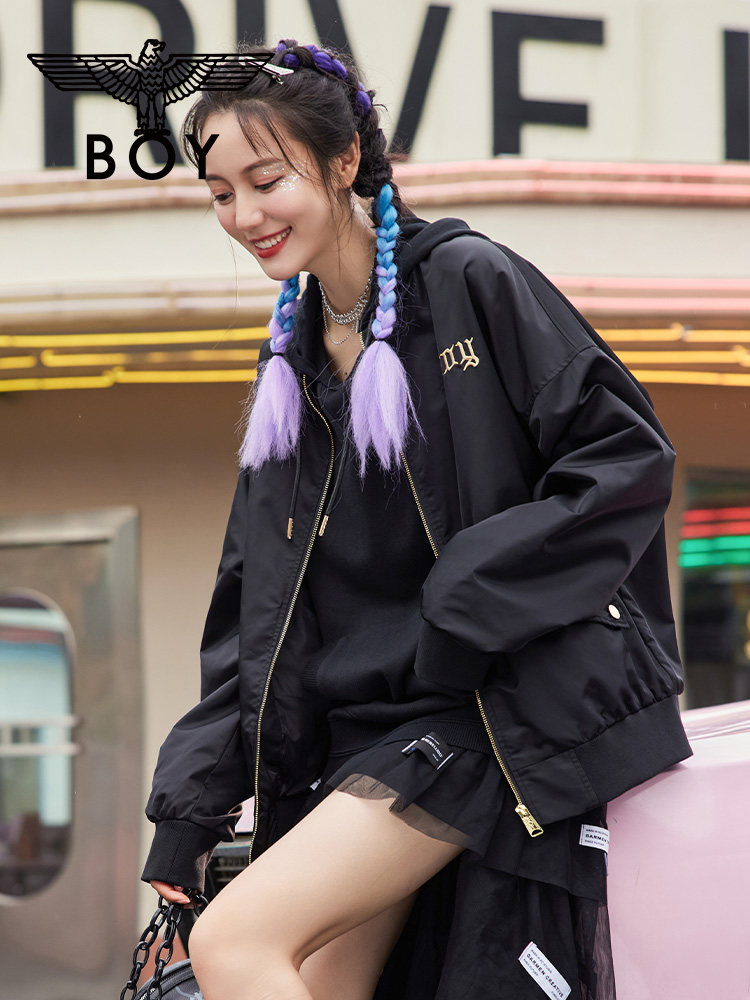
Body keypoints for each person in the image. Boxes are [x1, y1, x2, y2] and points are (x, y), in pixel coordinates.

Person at [140, 38, 693, 1000]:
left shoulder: (469, 281)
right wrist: (190, 804)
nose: (244, 216)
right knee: (311, 976)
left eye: (266, 181)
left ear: (345, 159)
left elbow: (624, 457)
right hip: (357, 743)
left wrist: (469, 597)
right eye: (220, 193)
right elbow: (254, 603)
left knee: (236, 944)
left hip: (477, 714)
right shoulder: (291, 363)